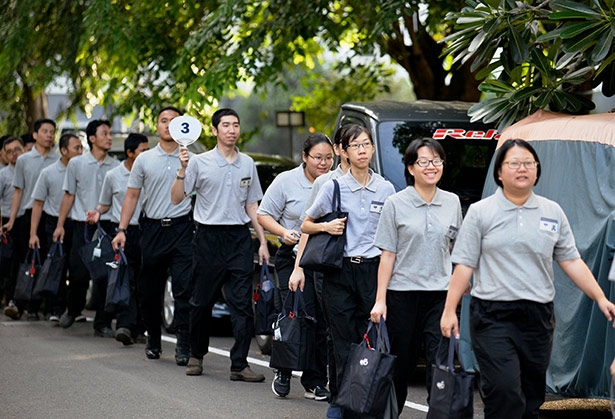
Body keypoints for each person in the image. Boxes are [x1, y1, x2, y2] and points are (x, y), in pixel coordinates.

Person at [440, 139, 615, 419]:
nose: (522, 169)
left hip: (538, 316)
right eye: (514, 163)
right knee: (504, 391)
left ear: (537, 170)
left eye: (529, 163)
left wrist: (600, 297)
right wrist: (449, 310)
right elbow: (464, 265)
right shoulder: (481, 212)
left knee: (531, 398)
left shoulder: (552, 211)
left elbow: (570, 260)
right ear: (499, 172)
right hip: (492, 315)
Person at [299, 124, 395, 418]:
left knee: (370, 340)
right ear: (343, 151)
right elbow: (305, 224)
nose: (363, 150)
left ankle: (368, 402)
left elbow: (392, 238)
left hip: (372, 272)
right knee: (342, 344)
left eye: (367, 144)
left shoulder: (386, 188)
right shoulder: (333, 186)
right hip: (338, 274)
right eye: (356, 146)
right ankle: (341, 404)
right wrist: (326, 226)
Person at [171, 108, 269, 381]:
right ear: (214, 131)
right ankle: (196, 354)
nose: (232, 130)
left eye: (235, 125)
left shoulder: (247, 163)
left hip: (239, 238)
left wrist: (262, 241)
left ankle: (239, 364)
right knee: (201, 302)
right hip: (207, 238)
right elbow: (177, 198)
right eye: (225, 125)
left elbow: (252, 205)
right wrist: (182, 168)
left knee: (241, 304)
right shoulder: (199, 162)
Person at [369, 138, 462, 413]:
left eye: (437, 161)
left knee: (439, 365)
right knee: (400, 366)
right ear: (410, 168)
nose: (431, 167)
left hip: (440, 297)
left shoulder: (452, 202)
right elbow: (388, 256)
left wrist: (458, 287)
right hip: (402, 296)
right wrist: (380, 300)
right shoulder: (395, 204)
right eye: (423, 162)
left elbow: (455, 250)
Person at [111, 106, 193, 366]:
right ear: (157, 126)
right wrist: (122, 229)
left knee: (183, 288)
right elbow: (132, 195)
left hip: (183, 229)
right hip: (152, 229)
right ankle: (153, 339)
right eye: (163, 120)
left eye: (174, 121)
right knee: (150, 290)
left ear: (183, 126)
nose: (168, 125)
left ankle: (183, 344)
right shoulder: (144, 159)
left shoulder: (193, 158)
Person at [257, 132, 333, 400]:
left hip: (324, 258)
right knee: (292, 315)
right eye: (317, 158)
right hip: (292, 256)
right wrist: (283, 232)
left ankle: (314, 381)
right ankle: (283, 371)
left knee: (320, 320)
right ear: (304, 157)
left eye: (328, 158)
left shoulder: (335, 181)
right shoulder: (285, 181)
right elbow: (263, 214)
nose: (323, 163)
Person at [53, 119, 120, 336]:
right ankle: (73, 310)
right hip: (80, 226)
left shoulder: (116, 165)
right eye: (105, 134)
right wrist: (60, 225)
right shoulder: (76, 164)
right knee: (79, 273)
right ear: (92, 139)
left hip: (106, 225)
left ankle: (102, 322)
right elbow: (69, 195)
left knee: (103, 276)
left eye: (110, 133)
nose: (109, 138)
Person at [88, 133, 149, 345]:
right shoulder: (113, 175)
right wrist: (97, 212)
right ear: (130, 153)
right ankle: (124, 325)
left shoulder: (151, 173)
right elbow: (104, 203)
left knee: (144, 280)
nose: (147, 154)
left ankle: (140, 328)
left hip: (148, 231)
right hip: (123, 232)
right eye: (143, 150)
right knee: (125, 278)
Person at [2, 119, 59, 320]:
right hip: (27, 216)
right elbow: (18, 191)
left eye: (52, 131)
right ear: (35, 135)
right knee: (24, 259)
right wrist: (11, 220)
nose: (49, 135)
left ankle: (40, 305)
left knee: (46, 260)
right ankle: (20, 302)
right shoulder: (24, 160)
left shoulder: (59, 159)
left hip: (50, 215)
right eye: (45, 131)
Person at [29, 133, 83, 322]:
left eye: (81, 148)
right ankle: (56, 309)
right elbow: (38, 203)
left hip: (77, 223)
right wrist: (33, 233)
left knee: (76, 267)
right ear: (64, 151)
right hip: (53, 223)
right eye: (76, 148)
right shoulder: (49, 173)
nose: (81, 152)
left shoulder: (83, 170)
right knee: (56, 265)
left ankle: (74, 309)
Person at [0, 137, 24, 318]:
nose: (15, 153)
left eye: (18, 149)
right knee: (9, 263)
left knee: (25, 261)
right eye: (10, 151)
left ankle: (22, 302)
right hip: (8, 222)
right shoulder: (3, 174)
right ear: (4, 155)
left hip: (28, 220)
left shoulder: (31, 171)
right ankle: (10, 299)